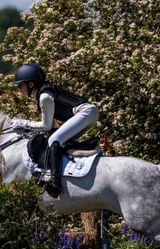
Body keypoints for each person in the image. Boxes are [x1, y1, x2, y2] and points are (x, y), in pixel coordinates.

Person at [12, 63, 99, 197]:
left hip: (86, 112)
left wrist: (24, 123)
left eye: (21, 85)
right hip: (88, 113)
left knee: (54, 139)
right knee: (59, 140)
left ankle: (55, 182)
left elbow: (46, 125)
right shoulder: (42, 93)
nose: (19, 89)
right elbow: (50, 126)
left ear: (30, 84)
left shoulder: (44, 97)